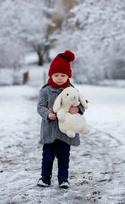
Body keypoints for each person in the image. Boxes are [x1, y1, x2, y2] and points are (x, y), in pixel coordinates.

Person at [37, 50, 85, 189]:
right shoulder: (45, 90)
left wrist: (78, 109)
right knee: (48, 156)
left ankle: (63, 179)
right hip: (50, 130)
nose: (59, 78)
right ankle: (45, 177)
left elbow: (80, 103)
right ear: (51, 74)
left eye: (63, 75)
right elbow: (40, 106)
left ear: (68, 75)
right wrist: (47, 114)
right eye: (56, 75)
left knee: (64, 156)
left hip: (66, 130)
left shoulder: (72, 89)